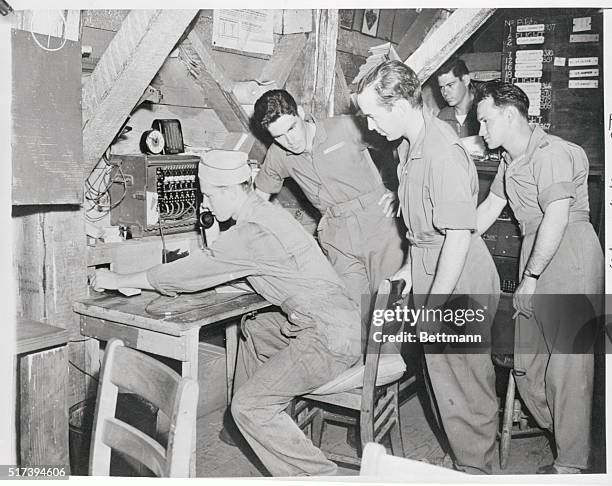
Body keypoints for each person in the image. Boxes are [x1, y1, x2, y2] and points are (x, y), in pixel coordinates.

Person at [91, 149, 362, 476]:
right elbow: (248, 271)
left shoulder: (253, 233)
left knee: (249, 407)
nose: (205, 204)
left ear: (231, 191)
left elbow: (191, 272)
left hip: (330, 337)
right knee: (255, 327)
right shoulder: (266, 213)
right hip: (337, 320)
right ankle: (256, 425)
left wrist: (119, 279)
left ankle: (320, 477)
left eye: (208, 195)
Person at [355, 60, 500, 474]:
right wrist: (408, 268)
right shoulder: (408, 146)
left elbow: (457, 236)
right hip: (431, 267)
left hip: (458, 275)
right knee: (442, 379)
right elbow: (421, 229)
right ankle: (462, 460)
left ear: (400, 104)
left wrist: (434, 303)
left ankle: (477, 469)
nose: (368, 124)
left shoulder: (442, 152)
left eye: (373, 114)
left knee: (467, 390)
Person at [475, 80, 604, 474]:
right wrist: (447, 239)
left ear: (510, 114)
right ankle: (571, 434)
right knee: (526, 363)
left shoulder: (552, 152)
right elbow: (485, 214)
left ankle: (570, 462)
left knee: (568, 365)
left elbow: (557, 216)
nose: (481, 131)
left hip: (567, 250)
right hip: (538, 251)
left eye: (484, 121)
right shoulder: (509, 162)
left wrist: (531, 276)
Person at [252, 89, 405, 325]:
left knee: (394, 311)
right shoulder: (278, 154)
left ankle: (400, 362)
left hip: (379, 225)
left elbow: (400, 136)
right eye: (279, 136)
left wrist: (402, 190)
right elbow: (257, 202)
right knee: (354, 320)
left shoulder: (344, 128)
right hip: (336, 236)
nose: (289, 140)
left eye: (292, 128)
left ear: (300, 113)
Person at [436, 58, 479, 137]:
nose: (445, 93)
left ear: (466, 80)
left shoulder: (483, 111)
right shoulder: (442, 118)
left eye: (450, 85)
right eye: (442, 87)